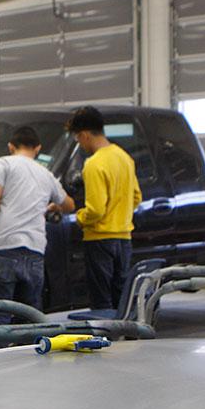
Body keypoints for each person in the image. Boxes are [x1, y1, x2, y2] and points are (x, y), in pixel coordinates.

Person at [0, 126, 74, 316]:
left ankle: (1, 346)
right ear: (38, 148)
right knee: (31, 319)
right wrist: (55, 206)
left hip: (4, 249)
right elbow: (69, 204)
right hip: (35, 253)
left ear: (11, 147)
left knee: (0, 317)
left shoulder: (4, 163)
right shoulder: (46, 174)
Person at [67, 106, 142, 310]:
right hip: (124, 238)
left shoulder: (94, 164)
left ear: (84, 135)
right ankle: (124, 337)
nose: (80, 144)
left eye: (78, 139)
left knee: (101, 300)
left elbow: (96, 210)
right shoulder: (124, 157)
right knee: (121, 297)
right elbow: (136, 196)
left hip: (99, 239)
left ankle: (105, 341)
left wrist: (79, 217)